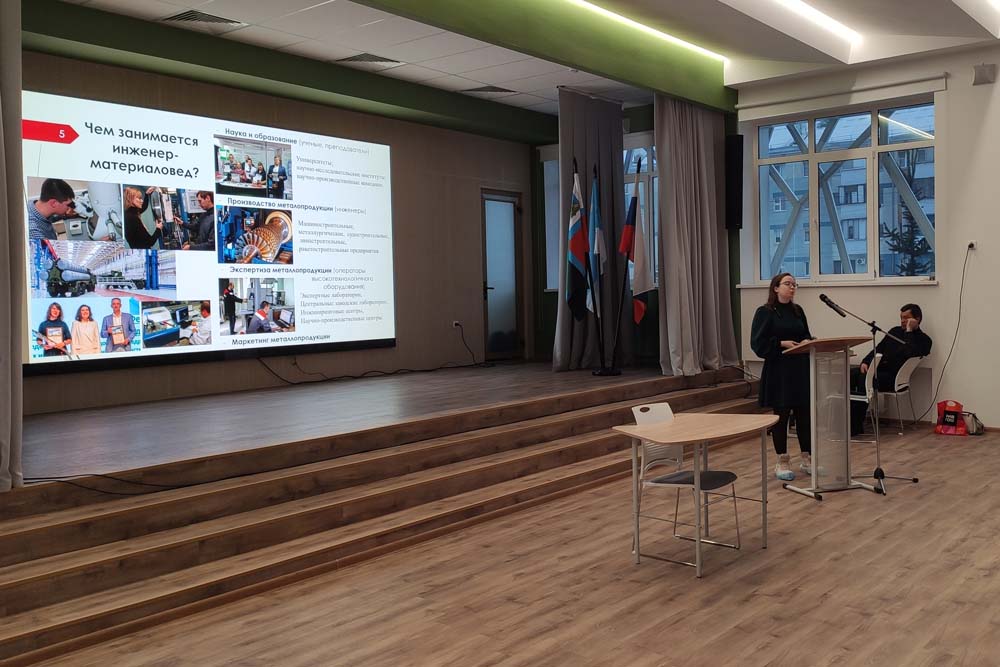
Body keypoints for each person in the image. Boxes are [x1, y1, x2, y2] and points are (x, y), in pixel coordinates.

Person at [750, 273, 814, 481]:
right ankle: (782, 460)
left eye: (794, 284)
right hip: (779, 370)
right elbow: (758, 343)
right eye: (788, 284)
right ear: (776, 288)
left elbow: (805, 333)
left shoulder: (798, 311)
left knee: (804, 415)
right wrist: (780, 343)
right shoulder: (765, 312)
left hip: (800, 368)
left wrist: (807, 341)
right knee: (782, 416)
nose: (792, 287)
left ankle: (807, 458)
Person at [850, 304, 933, 435]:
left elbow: (909, 352)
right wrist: (865, 361)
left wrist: (909, 331)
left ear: (917, 319)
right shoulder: (894, 331)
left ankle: (855, 426)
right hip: (878, 371)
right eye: (901, 318)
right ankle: (845, 420)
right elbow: (878, 348)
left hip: (893, 378)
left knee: (864, 378)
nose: (903, 321)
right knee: (852, 374)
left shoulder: (925, 340)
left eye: (906, 318)